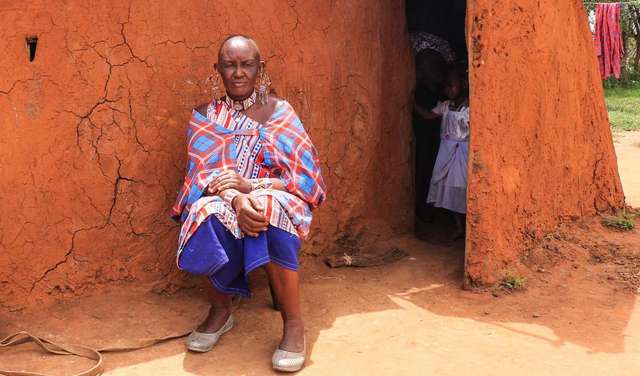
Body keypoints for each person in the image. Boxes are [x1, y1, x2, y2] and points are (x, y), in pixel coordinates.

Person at [171, 34, 326, 372]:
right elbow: (199, 177)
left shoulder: (280, 112)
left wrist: (252, 187)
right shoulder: (204, 116)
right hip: (224, 197)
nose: (238, 72)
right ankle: (221, 310)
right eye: (229, 65)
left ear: (260, 69)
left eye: (246, 65)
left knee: (268, 208)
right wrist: (236, 197)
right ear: (218, 70)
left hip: (276, 194)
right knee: (202, 211)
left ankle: (294, 325)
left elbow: (306, 179)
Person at [414, 64, 469, 240]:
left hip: (464, 154)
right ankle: (459, 226)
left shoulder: (471, 107)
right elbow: (429, 115)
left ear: (464, 84)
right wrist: (412, 103)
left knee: (464, 189)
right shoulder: (445, 106)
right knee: (449, 189)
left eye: (452, 85)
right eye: (446, 86)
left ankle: (469, 229)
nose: (448, 90)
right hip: (448, 154)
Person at [410, 33, 456, 223]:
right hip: (427, 139)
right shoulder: (428, 93)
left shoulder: (443, 97)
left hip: (441, 144)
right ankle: (425, 209)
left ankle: (436, 211)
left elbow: (430, 116)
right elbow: (428, 116)